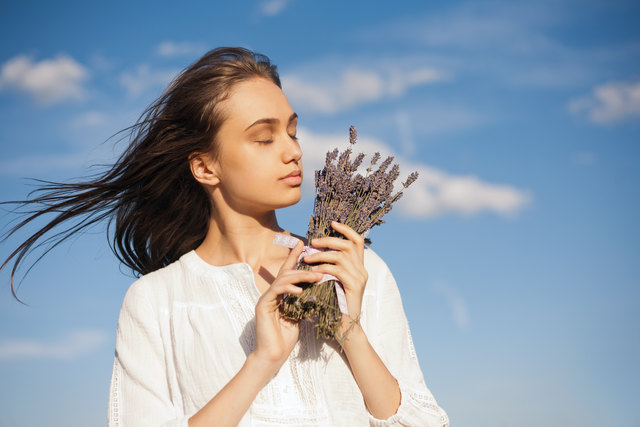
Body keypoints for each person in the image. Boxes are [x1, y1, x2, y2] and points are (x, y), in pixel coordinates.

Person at [2, 47, 448, 426]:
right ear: (205, 167)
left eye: (291, 131)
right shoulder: (157, 302)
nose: (294, 150)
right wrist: (261, 362)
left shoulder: (354, 267)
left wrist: (348, 328)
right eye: (263, 138)